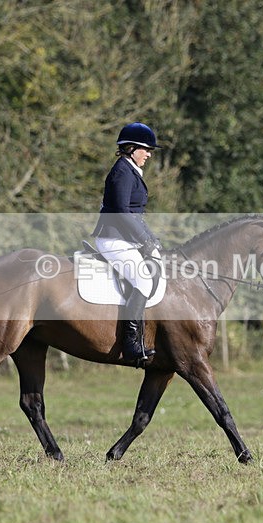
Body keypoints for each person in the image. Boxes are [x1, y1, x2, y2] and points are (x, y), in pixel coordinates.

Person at [91, 122, 163, 367]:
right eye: (146, 150)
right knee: (143, 278)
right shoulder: (122, 171)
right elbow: (122, 211)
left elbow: (135, 214)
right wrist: (144, 240)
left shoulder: (130, 170)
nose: (149, 154)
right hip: (112, 237)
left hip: (124, 237)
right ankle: (131, 342)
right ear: (131, 148)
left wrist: (151, 238)